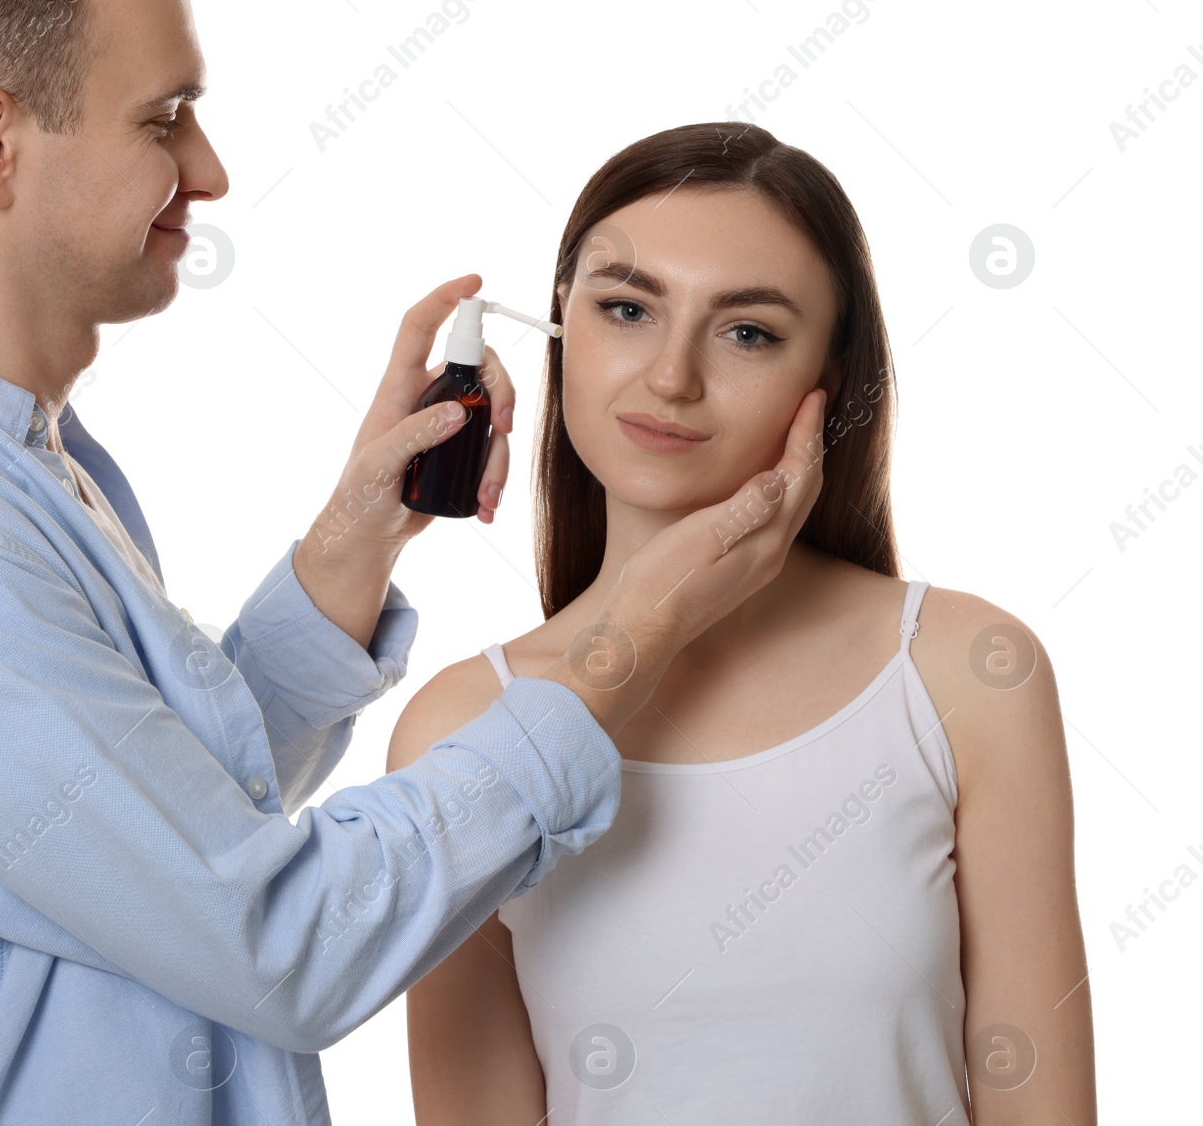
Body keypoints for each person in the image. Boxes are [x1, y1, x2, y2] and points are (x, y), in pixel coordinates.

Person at [0, 0, 823, 1126]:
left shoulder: (4, 471)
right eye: (163, 117)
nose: (210, 171)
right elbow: (278, 938)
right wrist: (636, 633)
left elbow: (150, 829)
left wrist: (353, 543)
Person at [391, 123, 1097, 1125]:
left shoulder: (964, 675)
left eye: (747, 331)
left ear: (831, 380)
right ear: (559, 327)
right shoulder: (459, 730)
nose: (671, 377)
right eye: (627, 309)